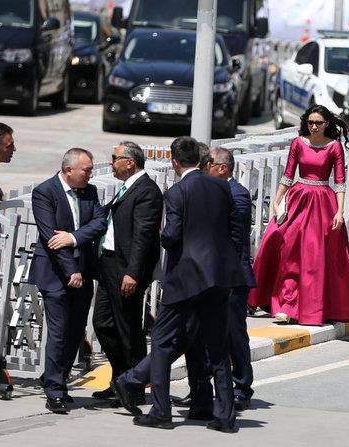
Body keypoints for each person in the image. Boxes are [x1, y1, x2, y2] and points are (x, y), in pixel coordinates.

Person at [112, 136, 245, 432]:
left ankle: (161, 411)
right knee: (217, 347)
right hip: (218, 278)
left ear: (174, 162)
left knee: (161, 342)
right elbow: (236, 231)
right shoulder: (221, 187)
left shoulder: (176, 192)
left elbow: (172, 235)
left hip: (186, 279)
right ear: (201, 160)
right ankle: (225, 416)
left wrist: (163, 236)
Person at [247, 104, 349, 326]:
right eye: (310, 122)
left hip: (323, 203)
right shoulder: (298, 143)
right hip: (298, 198)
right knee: (282, 245)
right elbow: (288, 175)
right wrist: (277, 201)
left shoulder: (335, 147)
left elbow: (340, 182)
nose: (314, 126)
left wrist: (340, 212)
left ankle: (304, 307)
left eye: (318, 123)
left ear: (327, 124)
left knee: (314, 256)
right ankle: (279, 301)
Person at [174, 147, 256, 411]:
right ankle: (202, 389)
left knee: (233, 334)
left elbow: (233, 238)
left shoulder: (237, 194)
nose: (203, 168)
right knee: (202, 335)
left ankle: (241, 387)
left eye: (208, 164)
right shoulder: (207, 191)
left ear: (222, 168)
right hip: (207, 277)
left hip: (231, 278)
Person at [29, 148, 107, 413]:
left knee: (75, 331)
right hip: (56, 273)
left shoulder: (89, 191)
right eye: (87, 170)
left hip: (83, 272)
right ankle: (54, 391)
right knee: (59, 332)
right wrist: (71, 270)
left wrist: (73, 237)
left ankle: (57, 377)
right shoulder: (45, 192)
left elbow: (99, 223)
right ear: (68, 170)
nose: (90, 174)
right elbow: (51, 238)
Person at [92, 142, 163, 402]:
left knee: (128, 328)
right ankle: (121, 378)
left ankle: (133, 387)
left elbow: (143, 237)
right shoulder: (127, 187)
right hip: (110, 265)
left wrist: (133, 273)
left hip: (126, 269)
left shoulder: (147, 191)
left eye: (115, 158)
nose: (112, 163)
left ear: (130, 162)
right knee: (102, 323)